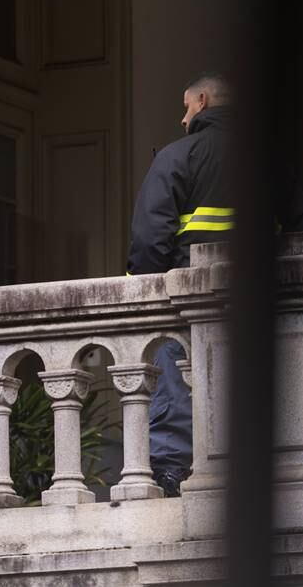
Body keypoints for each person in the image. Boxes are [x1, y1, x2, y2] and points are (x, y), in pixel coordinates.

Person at [127, 72, 235, 496]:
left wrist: (146, 291)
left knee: (176, 393)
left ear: (203, 101)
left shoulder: (178, 156)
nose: (182, 117)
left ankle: (172, 473)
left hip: (185, 302)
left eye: (186, 107)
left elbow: (151, 237)